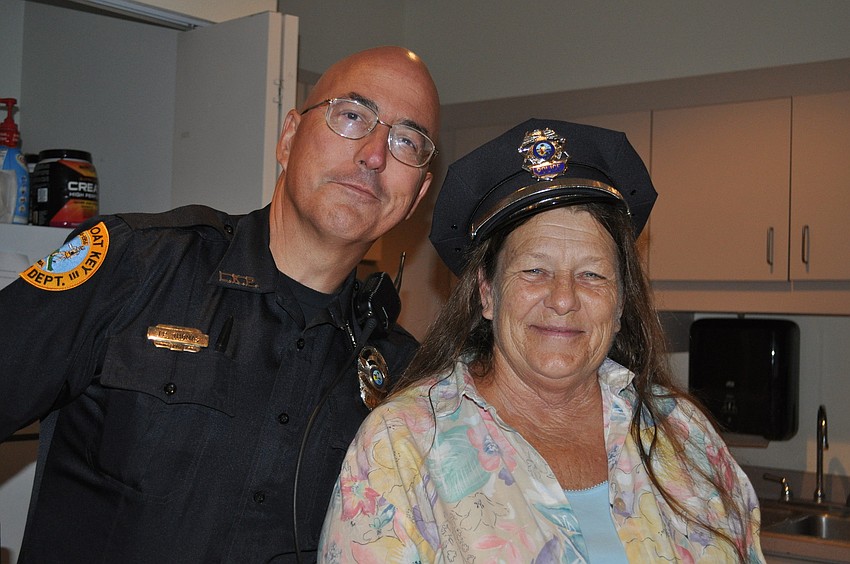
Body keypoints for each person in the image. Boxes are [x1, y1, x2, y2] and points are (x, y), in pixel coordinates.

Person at [0, 46, 440, 562]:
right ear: (289, 136)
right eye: (351, 116)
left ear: (417, 194)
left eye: (406, 140)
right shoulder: (135, 263)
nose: (374, 155)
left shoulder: (406, 380)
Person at [319, 119, 765, 562]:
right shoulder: (401, 448)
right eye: (535, 270)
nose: (564, 299)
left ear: (622, 299)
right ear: (487, 292)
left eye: (592, 274)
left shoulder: (685, 435)